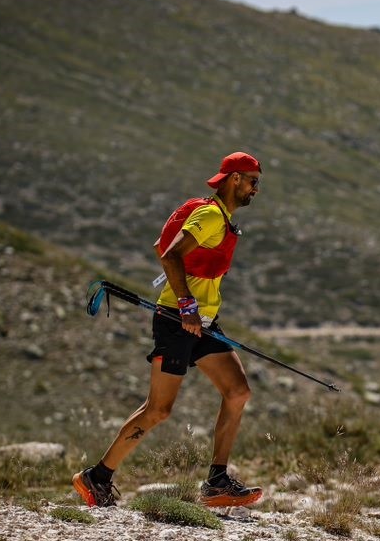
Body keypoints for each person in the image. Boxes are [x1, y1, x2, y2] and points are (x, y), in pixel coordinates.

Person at [73, 151, 264, 508]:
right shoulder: (209, 215)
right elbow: (170, 255)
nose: (256, 189)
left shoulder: (219, 216)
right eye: (253, 181)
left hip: (204, 324)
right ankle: (96, 477)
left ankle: (217, 482)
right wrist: (187, 305)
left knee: (238, 392)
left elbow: (165, 248)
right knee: (159, 410)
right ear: (234, 178)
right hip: (178, 320)